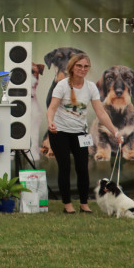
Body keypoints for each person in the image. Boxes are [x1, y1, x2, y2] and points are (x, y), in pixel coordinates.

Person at [46, 51, 123, 214]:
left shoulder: (91, 87)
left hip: (80, 134)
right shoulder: (62, 85)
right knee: (65, 167)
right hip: (59, 132)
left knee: (82, 168)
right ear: (72, 67)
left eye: (86, 66)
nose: (82, 69)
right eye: (79, 66)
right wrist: (50, 122)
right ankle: (67, 204)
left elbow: (101, 112)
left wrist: (115, 132)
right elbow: (52, 108)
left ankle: (84, 203)